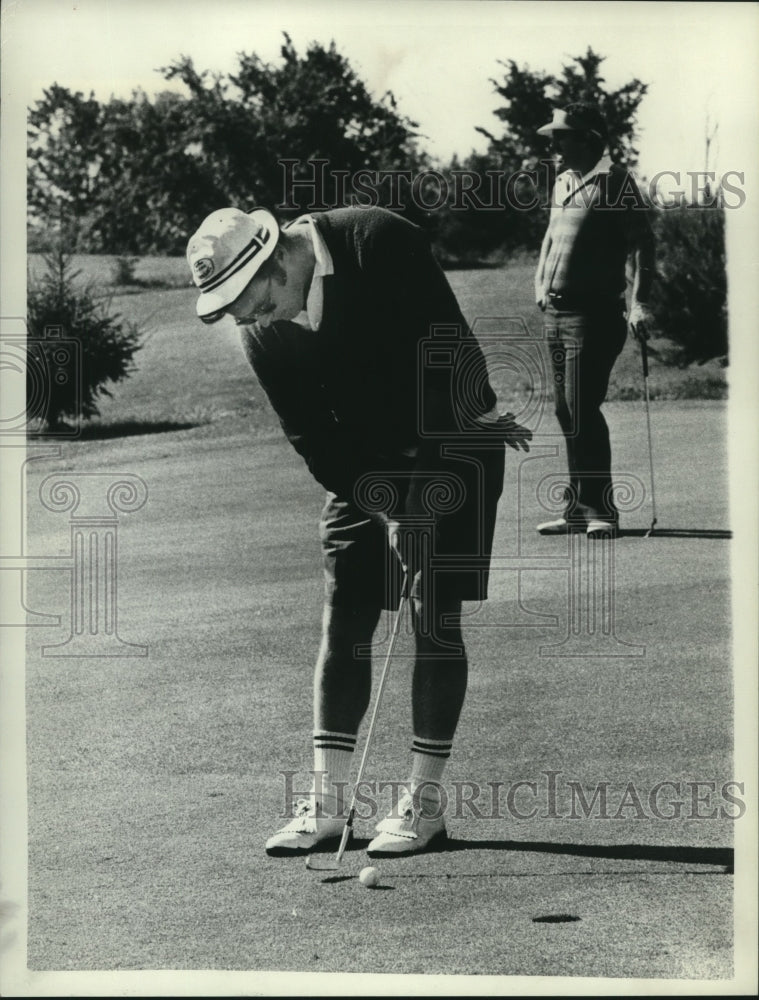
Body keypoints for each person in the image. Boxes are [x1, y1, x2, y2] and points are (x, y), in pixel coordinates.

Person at [186, 205, 531, 857]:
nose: (246, 321)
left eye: (248, 301)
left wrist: (419, 502)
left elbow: (446, 364)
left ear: (278, 259)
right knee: (343, 614)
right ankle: (328, 803)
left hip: (454, 432)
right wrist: (386, 503)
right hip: (363, 455)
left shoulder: (379, 241)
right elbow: (312, 436)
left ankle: (422, 805)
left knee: (433, 613)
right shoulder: (262, 329)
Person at [533, 102, 656, 536]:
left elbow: (643, 245)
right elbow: (551, 235)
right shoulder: (563, 180)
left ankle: (602, 510)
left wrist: (640, 303)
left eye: (561, 136)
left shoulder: (617, 181)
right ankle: (577, 509)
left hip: (595, 313)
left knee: (582, 407)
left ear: (587, 139)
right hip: (557, 312)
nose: (553, 145)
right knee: (566, 412)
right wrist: (539, 281)